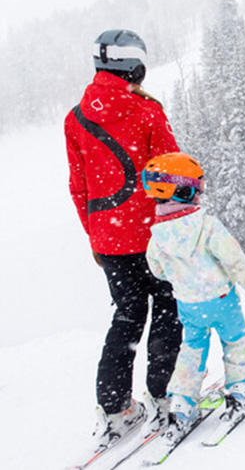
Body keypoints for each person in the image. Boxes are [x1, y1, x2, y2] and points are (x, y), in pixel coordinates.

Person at [64, 29, 182, 443]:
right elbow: (171, 174)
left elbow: (79, 188)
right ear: (134, 65)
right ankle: (165, 396)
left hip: (110, 241)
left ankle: (116, 409)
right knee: (168, 307)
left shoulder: (76, 118)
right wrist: (181, 230)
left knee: (127, 317)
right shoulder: (146, 112)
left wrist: (96, 238)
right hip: (154, 235)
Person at [141, 152, 245, 435]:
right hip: (221, 301)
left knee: (191, 351)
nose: (199, 197)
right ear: (183, 189)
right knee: (236, 342)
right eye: (196, 189)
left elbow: (157, 271)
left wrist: (184, 277)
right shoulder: (208, 226)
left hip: (189, 305)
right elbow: (234, 262)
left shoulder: (158, 235)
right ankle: (241, 390)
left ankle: (181, 403)